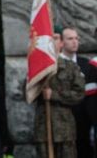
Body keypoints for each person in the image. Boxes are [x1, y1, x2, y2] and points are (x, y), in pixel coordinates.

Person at [33, 28, 85, 158]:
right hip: (43, 127)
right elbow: (26, 92)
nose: (52, 42)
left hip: (64, 128)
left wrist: (54, 95)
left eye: (55, 38)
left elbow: (79, 94)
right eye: (49, 39)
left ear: (61, 43)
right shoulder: (37, 67)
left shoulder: (70, 67)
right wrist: (40, 92)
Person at [59, 27, 97, 158]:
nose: (75, 42)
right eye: (70, 38)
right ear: (61, 42)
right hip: (62, 120)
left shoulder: (87, 64)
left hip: (84, 120)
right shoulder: (54, 65)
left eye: (76, 38)